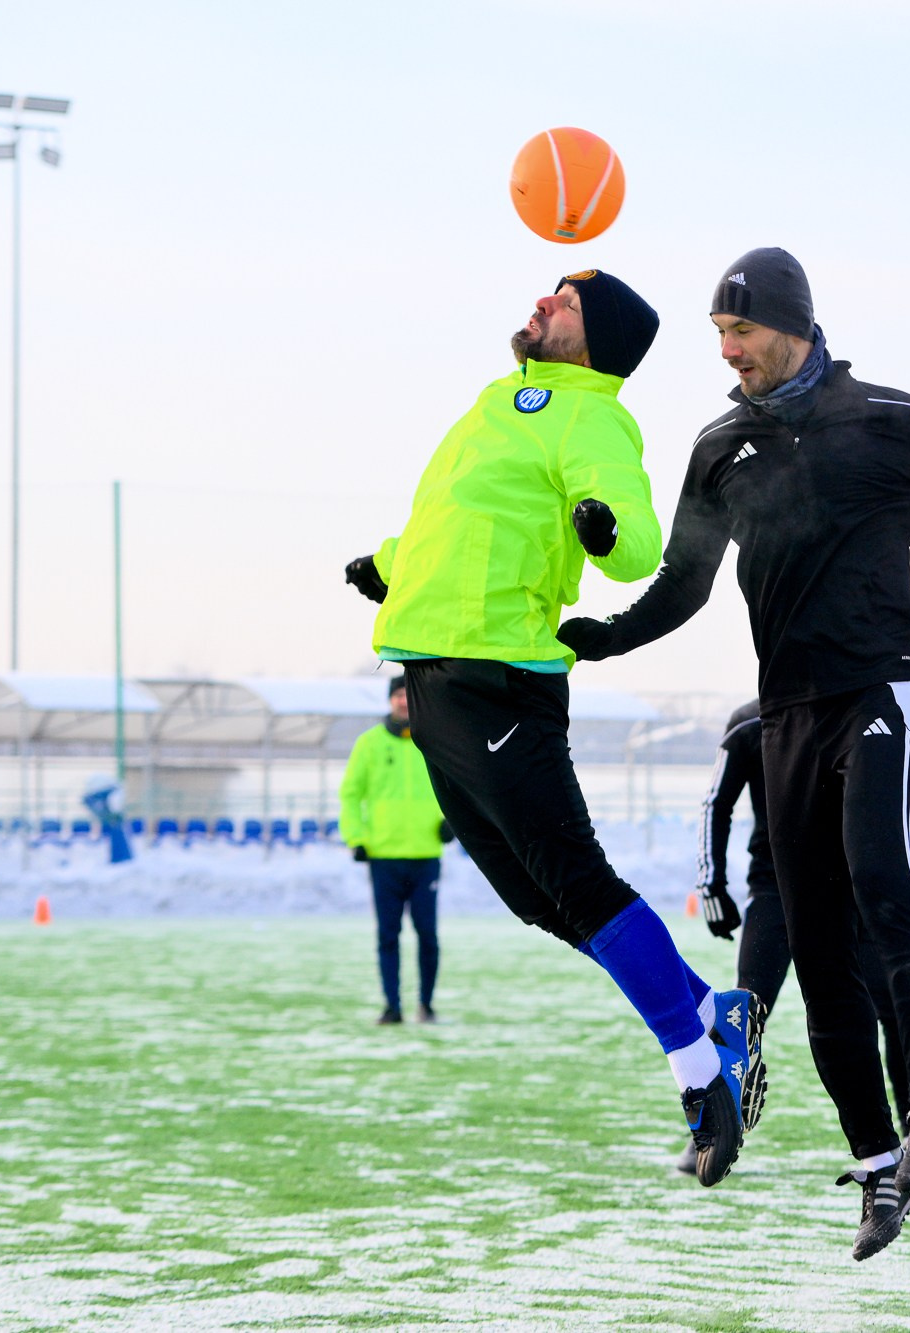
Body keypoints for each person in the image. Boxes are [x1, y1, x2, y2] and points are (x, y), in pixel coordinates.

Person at [559, 247, 910, 1259]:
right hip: (787, 717)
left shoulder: (894, 420)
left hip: (883, 690)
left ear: (791, 324)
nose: (728, 353)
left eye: (741, 333)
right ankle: (873, 1162)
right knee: (813, 946)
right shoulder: (721, 444)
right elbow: (682, 580)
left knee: (878, 883)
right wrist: (608, 635)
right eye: (718, 337)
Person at [342, 268, 763, 1187]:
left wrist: (604, 527)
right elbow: (456, 515)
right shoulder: (499, 401)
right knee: (537, 901)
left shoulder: (594, 417)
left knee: (578, 883)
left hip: (503, 681)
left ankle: (703, 1076)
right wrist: (388, 563)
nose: (542, 304)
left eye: (565, 304)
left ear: (596, 338)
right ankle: (714, 1015)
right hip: (432, 673)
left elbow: (641, 543)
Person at [676, 699, 908, 1179]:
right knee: (745, 1014)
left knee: (890, 1009)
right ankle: (711, 1131)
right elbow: (715, 803)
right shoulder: (748, 725)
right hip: (779, 892)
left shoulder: (845, 711)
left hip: (846, 893)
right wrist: (711, 883)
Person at [338, 676, 452, 1024]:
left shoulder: (434, 740)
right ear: (390, 700)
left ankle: (426, 1005)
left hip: (425, 855)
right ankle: (392, 1006)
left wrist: (454, 822)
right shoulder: (369, 744)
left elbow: (459, 783)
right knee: (388, 935)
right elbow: (350, 795)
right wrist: (356, 839)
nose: (404, 702)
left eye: (409, 695)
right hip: (384, 857)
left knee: (428, 936)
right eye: (398, 696)